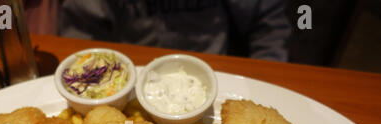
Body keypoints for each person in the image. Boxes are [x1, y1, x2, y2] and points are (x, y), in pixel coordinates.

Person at [58, 0, 291, 61]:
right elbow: (80, 33)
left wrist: (264, 83)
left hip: (217, 72)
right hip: (135, 78)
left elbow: (269, 26)